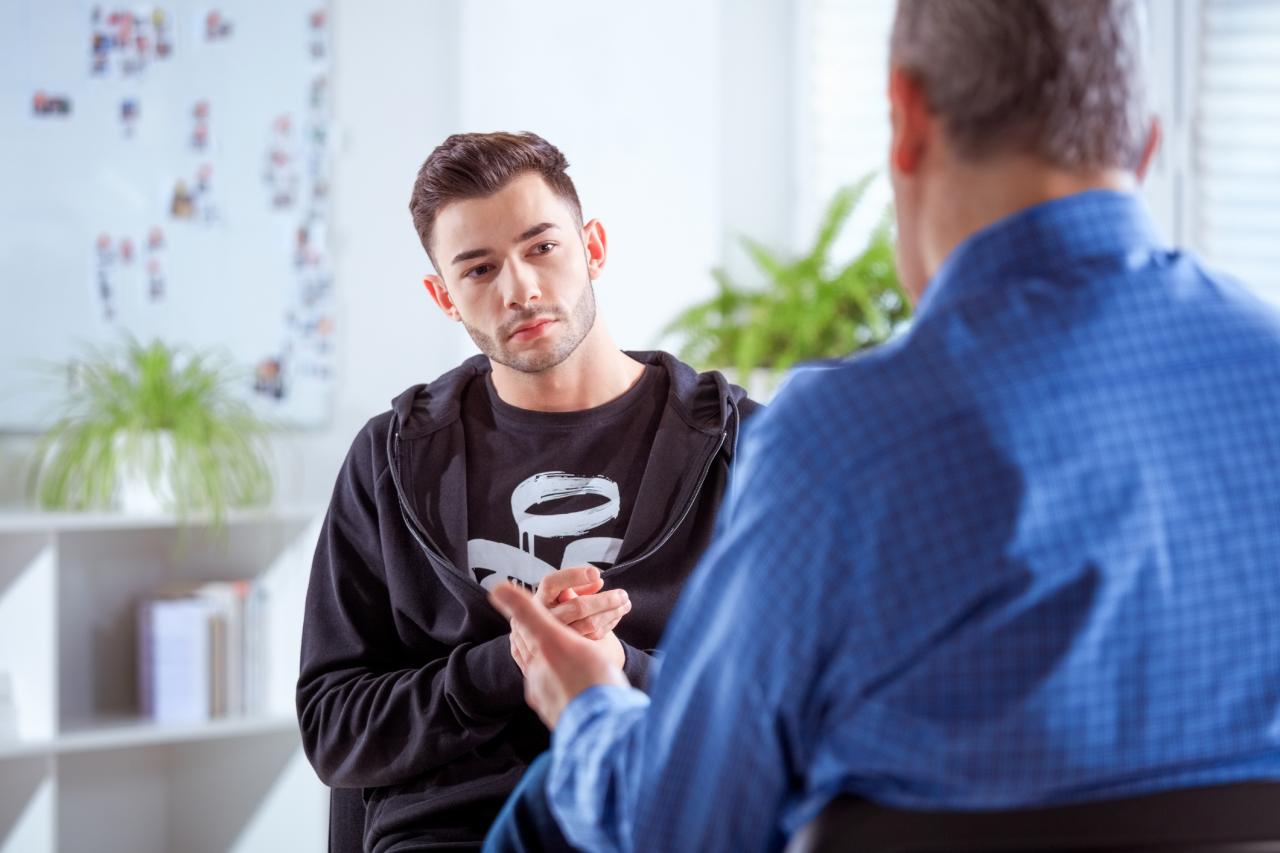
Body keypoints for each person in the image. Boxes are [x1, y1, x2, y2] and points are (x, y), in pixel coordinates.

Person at [485, 2, 1280, 851]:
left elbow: (684, 825)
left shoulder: (841, 441)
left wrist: (587, 703)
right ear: (1146, 145)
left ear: (905, 122)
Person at [296, 131, 759, 852]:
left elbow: (792, 709)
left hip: (657, 817)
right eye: (479, 269)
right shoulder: (389, 459)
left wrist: (619, 671)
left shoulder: (741, 448)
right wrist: (502, 664)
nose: (520, 289)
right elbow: (334, 727)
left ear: (593, 247)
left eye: (542, 247)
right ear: (444, 296)